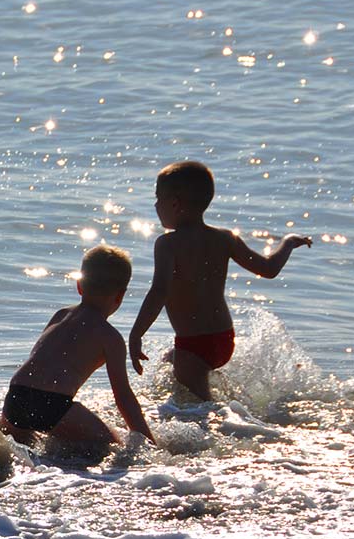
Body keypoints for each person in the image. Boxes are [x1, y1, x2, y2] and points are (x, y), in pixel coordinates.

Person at [127, 160, 313, 401]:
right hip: (224, 340)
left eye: (157, 199)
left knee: (202, 411)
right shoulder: (225, 239)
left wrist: (136, 334)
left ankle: (226, 427)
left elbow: (159, 291)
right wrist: (287, 242)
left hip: (192, 345)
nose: (155, 205)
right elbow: (268, 269)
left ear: (174, 203)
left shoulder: (167, 244)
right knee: (168, 363)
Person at [1, 245, 155, 451]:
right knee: (114, 447)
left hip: (16, 397)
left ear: (79, 286)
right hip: (52, 404)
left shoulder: (60, 315)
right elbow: (123, 397)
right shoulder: (110, 337)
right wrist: (148, 442)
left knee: (16, 450)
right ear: (120, 296)